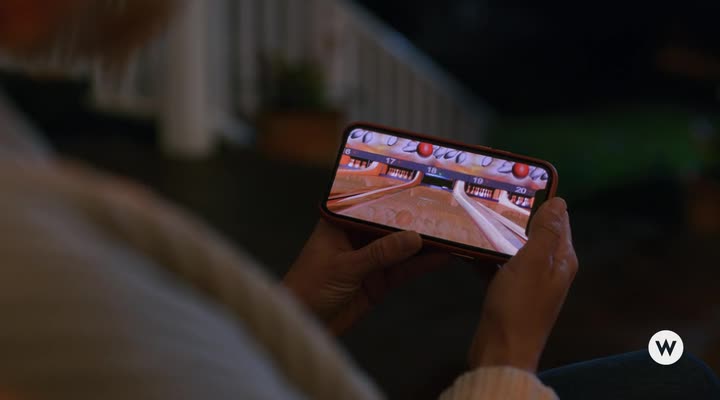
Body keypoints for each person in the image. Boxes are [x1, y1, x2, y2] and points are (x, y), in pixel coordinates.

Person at [0, 1, 717, 400]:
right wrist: (506, 355)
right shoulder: (37, 261)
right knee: (676, 383)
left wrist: (292, 317)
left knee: (675, 376)